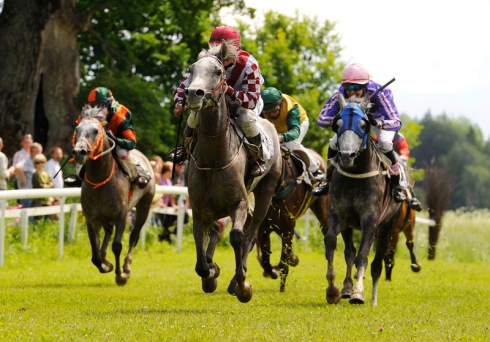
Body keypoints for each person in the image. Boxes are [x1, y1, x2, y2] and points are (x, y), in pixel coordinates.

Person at [315, 63, 420, 208]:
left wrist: (377, 123)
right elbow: (321, 119)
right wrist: (336, 120)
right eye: (348, 88)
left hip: (381, 121)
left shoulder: (381, 93)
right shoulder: (342, 92)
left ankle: (398, 184)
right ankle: (327, 180)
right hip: (356, 121)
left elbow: (396, 122)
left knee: (384, 143)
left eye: (356, 88)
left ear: (365, 86)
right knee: (334, 142)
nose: (351, 92)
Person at [171, 25, 266, 177]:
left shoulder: (249, 65)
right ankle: (184, 148)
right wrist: (179, 103)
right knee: (194, 116)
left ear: (237, 49)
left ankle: (258, 158)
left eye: (225, 52)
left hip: (245, 101)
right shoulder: (205, 62)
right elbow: (183, 87)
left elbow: (252, 101)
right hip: (217, 102)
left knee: (245, 118)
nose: (221, 56)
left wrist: (228, 90)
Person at [65, 87, 151, 188]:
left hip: (117, 143)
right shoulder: (88, 113)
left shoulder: (121, 114)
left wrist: (114, 138)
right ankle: (79, 177)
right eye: (93, 106)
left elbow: (131, 143)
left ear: (110, 104)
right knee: (82, 149)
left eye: (100, 106)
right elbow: (77, 128)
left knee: (121, 152)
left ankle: (138, 175)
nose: (96, 110)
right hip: (97, 144)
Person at [260, 87, 326, 193]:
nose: (272, 114)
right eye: (268, 112)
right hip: (278, 128)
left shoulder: (291, 108)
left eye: (274, 110)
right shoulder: (261, 109)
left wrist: (281, 137)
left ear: (281, 104)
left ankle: (315, 170)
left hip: (299, 124)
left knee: (290, 143)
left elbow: (295, 132)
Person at [14, 142, 43, 208]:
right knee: (28, 216)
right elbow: (17, 167)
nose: (36, 154)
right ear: (30, 152)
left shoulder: (38, 162)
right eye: (34, 152)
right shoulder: (28, 161)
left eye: (38, 152)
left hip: (35, 194)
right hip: (27, 194)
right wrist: (24, 180)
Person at [32, 153, 55, 220]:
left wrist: (47, 186)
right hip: (38, 200)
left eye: (42, 162)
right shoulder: (35, 175)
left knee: (47, 219)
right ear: (35, 164)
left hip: (47, 200)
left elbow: (53, 185)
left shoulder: (47, 174)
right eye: (37, 162)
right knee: (38, 219)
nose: (40, 164)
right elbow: (40, 186)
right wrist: (48, 185)